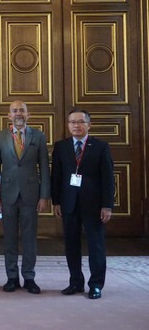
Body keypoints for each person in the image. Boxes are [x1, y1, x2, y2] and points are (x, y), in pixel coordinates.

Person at [52, 108, 114, 300]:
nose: (76, 126)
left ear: (89, 124)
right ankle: (75, 282)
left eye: (80, 122)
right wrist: (56, 202)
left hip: (94, 205)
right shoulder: (61, 146)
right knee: (71, 244)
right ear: (68, 125)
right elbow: (57, 177)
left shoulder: (101, 146)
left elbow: (108, 178)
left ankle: (96, 284)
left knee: (96, 245)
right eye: (72, 122)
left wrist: (107, 205)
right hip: (69, 203)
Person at [0, 100, 50, 294]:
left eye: (21, 111)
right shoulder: (0, 137)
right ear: (8, 115)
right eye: (14, 111)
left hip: (31, 195)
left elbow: (44, 168)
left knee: (30, 238)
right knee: (9, 238)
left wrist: (44, 196)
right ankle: (12, 277)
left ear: (28, 114)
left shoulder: (38, 136)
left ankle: (29, 277)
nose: (18, 114)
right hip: (7, 194)